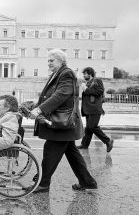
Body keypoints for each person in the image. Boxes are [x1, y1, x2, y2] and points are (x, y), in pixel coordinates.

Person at [21, 49, 97, 193]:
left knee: (50, 152)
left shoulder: (66, 73)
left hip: (62, 123)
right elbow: (48, 96)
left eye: (51, 60)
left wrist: (39, 110)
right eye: (48, 60)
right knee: (72, 153)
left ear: (61, 61)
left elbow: (61, 95)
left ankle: (43, 184)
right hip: (64, 123)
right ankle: (88, 182)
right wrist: (35, 106)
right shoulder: (58, 73)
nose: (48, 63)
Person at [76, 67, 114, 152]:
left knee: (92, 126)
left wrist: (86, 89)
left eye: (85, 73)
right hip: (88, 109)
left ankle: (108, 141)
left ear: (90, 74)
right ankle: (85, 144)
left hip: (95, 109)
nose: (83, 75)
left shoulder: (97, 81)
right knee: (89, 128)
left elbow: (99, 91)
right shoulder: (88, 82)